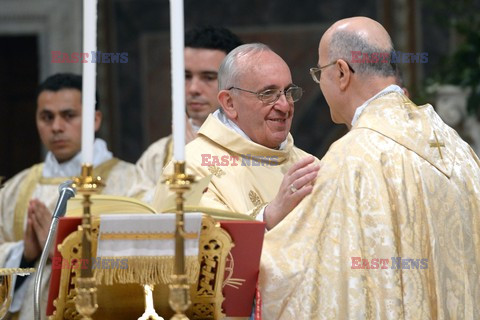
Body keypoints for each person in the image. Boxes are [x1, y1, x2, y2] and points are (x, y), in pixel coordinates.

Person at [260, 17, 480, 319]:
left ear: (340, 72)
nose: (320, 83)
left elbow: (292, 273)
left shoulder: (352, 158)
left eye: (318, 73)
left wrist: (256, 226)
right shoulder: (456, 147)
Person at [0, 73, 136, 319]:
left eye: (68, 115)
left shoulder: (130, 183)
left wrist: (65, 253)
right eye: (46, 117)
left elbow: (144, 261)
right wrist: (24, 253)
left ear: (95, 119)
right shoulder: (15, 189)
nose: (56, 127)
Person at [160, 43, 320, 230]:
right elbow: (204, 246)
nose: (284, 106)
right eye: (268, 94)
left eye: (288, 92)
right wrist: (268, 217)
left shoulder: (309, 165)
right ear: (229, 103)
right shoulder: (190, 169)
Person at [131, 26, 243, 200]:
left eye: (208, 77)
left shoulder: (256, 146)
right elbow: (134, 211)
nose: (193, 89)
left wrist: (195, 156)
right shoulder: (158, 154)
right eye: (186, 76)